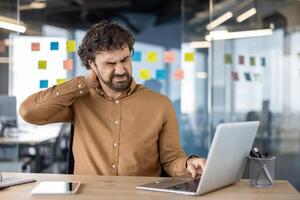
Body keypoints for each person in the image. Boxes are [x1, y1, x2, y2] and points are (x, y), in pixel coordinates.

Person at [19, 20, 205, 178]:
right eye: (110, 63)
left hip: (141, 196)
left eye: (124, 60)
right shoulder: (79, 100)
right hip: (89, 196)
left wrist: (189, 163)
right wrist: (81, 83)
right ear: (92, 64)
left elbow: (171, 159)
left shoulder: (160, 104)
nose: (121, 70)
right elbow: (29, 112)